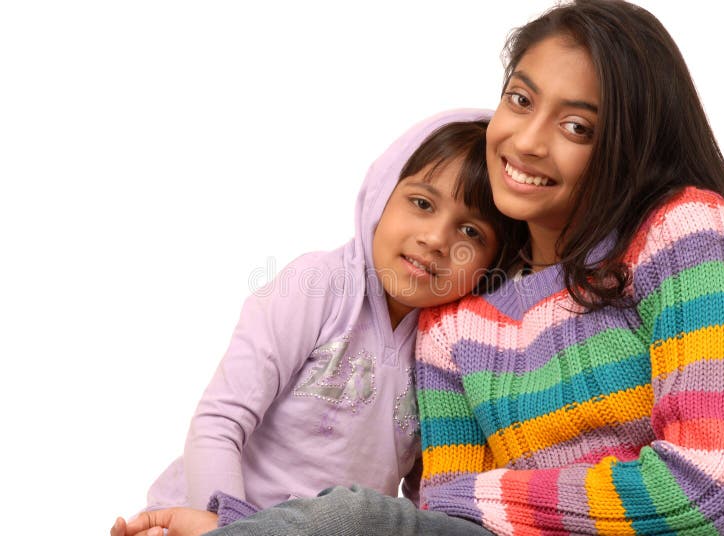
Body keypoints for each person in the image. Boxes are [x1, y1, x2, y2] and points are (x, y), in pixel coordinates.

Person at [113, 0, 724, 534]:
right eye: (521, 99)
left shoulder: (686, 230)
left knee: (351, 519)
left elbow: (704, 496)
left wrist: (481, 497)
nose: (526, 141)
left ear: (628, 140)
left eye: (576, 127)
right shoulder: (456, 319)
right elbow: (441, 509)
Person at [111, 108, 528, 534]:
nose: (437, 239)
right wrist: (223, 528)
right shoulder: (318, 287)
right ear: (382, 194)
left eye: (471, 232)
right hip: (206, 516)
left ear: (494, 262)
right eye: (421, 203)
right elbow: (219, 423)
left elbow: (430, 493)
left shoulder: (452, 349)